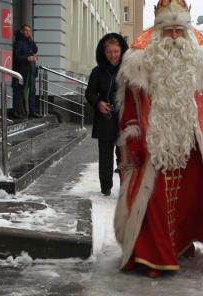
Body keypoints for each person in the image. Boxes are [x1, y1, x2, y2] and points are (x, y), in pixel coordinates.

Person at [114, 0, 203, 278]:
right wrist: (133, 133)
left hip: (194, 146)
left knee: (188, 201)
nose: (173, 37)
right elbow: (128, 105)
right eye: (168, 30)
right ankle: (153, 256)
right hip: (154, 145)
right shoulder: (140, 59)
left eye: (178, 30)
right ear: (158, 30)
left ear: (186, 30)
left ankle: (179, 242)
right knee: (153, 201)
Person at [85, 33, 128, 196]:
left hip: (124, 118)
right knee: (105, 156)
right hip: (105, 118)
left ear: (122, 51)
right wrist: (98, 103)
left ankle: (125, 187)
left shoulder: (127, 71)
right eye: (109, 52)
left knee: (123, 156)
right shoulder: (97, 72)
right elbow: (89, 93)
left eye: (116, 51)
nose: (113, 55)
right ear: (104, 52)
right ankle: (106, 187)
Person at [12, 24, 40, 119]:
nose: (28, 32)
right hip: (21, 70)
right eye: (26, 30)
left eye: (29, 31)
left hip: (30, 70)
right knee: (19, 91)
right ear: (22, 31)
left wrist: (31, 39)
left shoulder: (30, 42)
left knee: (32, 91)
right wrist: (27, 58)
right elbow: (16, 57)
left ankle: (32, 111)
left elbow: (35, 49)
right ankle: (16, 111)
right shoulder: (19, 42)